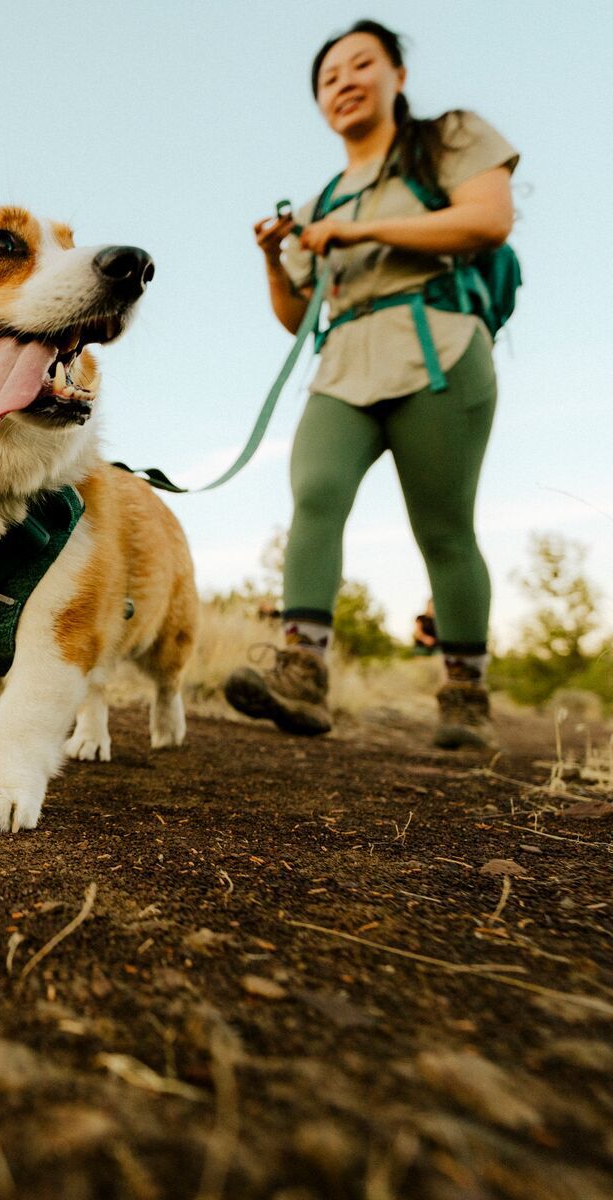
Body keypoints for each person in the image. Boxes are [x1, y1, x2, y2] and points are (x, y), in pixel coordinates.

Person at [224, 19, 517, 750]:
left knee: (444, 529)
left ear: (398, 76)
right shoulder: (324, 197)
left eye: (362, 65)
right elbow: (297, 316)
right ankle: (302, 674)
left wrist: (360, 235)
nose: (344, 82)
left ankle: (466, 695)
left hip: (439, 345)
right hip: (345, 358)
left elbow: (488, 221)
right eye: (329, 77)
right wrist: (273, 260)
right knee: (314, 493)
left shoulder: (448, 138)